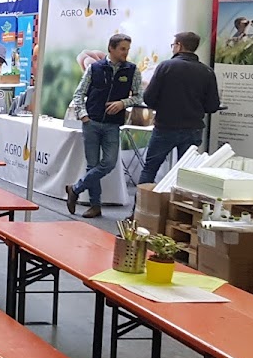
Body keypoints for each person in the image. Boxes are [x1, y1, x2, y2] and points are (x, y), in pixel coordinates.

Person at [64, 34, 143, 219]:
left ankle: (75, 189)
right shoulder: (94, 68)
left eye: (127, 49)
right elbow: (79, 93)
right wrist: (83, 115)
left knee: (108, 163)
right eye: (122, 49)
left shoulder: (132, 70)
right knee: (92, 165)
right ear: (111, 48)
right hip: (91, 122)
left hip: (112, 125)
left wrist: (123, 103)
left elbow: (139, 96)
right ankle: (95, 206)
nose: (126, 53)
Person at [137, 32, 221, 185]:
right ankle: (179, 200)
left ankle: (143, 200)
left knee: (150, 169)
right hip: (193, 129)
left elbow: (149, 98)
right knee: (186, 174)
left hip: (165, 126)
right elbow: (212, 105)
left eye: (173, 45)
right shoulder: (207, 71)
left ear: (179, 46)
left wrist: (162, 106)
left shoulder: (166, 66)